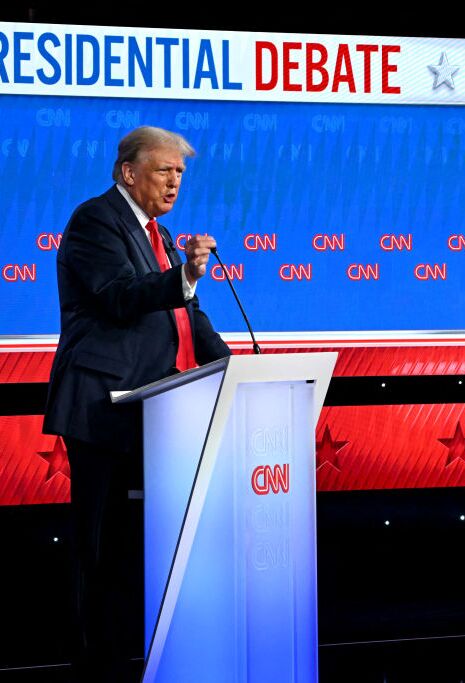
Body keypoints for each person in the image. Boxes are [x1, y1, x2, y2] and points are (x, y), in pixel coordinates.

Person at [43, 126, 231, 681]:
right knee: (98, 547)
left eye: (180, 173)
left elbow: (185, 319)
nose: (175, 181)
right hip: (104, 408)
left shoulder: (161, 234)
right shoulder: (95, 221)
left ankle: (135, 652)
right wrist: (184, 277)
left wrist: (232, 367)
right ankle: (93, 661)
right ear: (128, 171)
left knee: (135, 546)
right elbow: (120, 297)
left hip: (154, 413)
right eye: (163, 170)